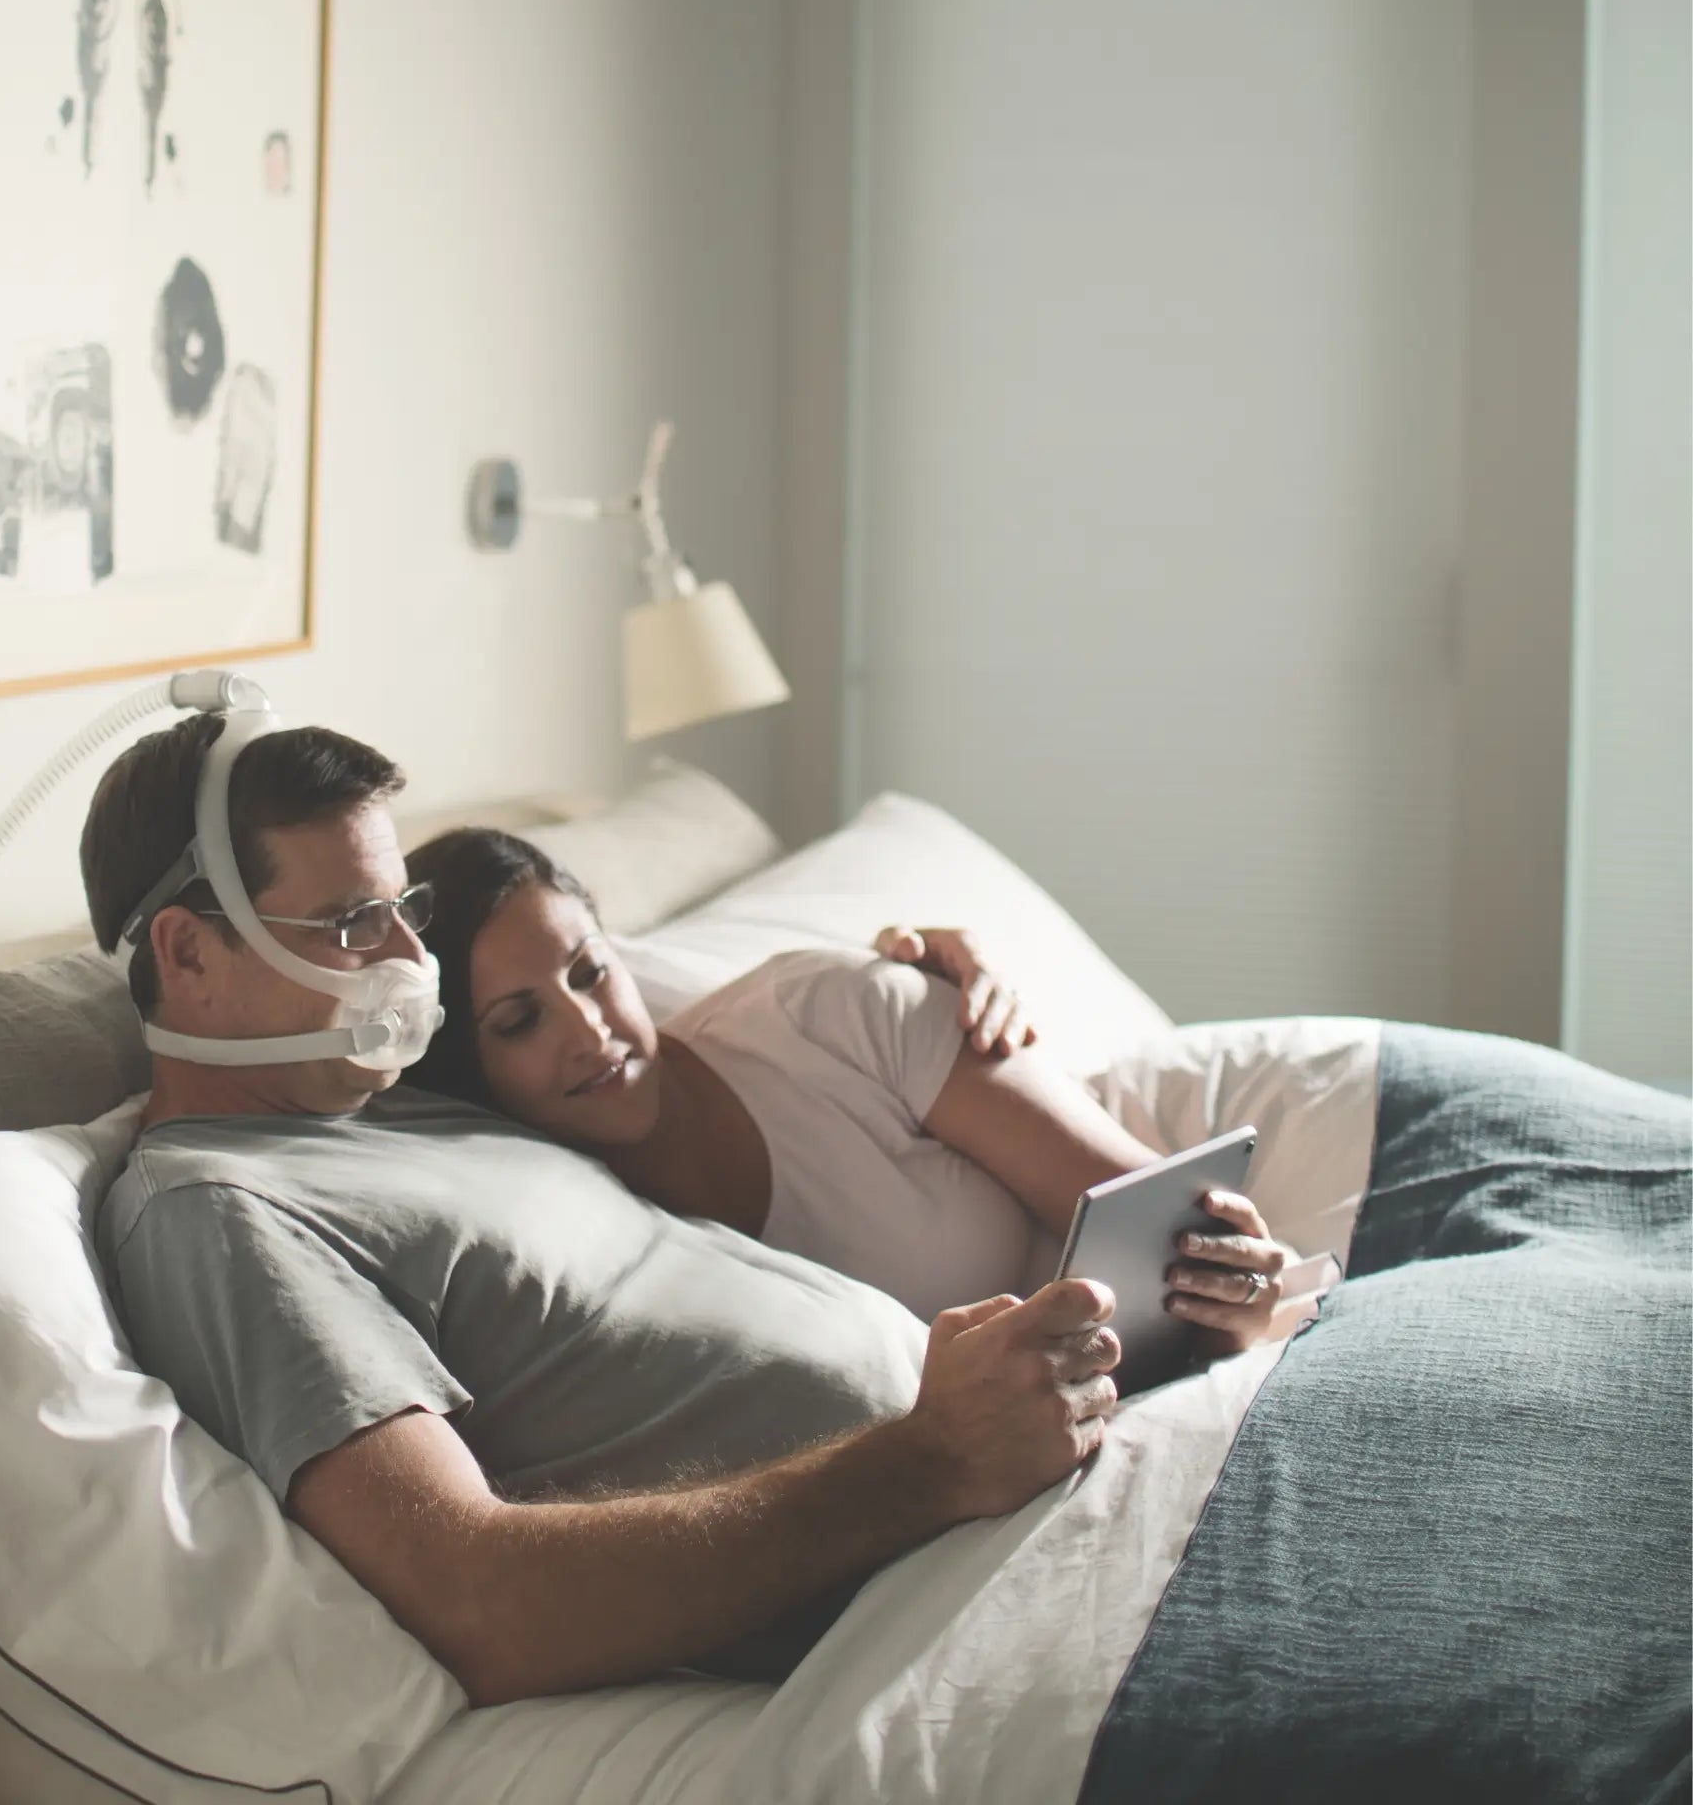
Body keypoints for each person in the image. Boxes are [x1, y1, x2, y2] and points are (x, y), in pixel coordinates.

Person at [84, 715, 1123, 1707]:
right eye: (355, 922)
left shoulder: (404, 1098)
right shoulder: (220, 1213)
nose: (409, 957)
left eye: (407, 910)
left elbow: (628, 1019)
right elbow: (478, 1598)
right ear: (185, 956)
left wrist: (911, 970)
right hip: (941, 1582)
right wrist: (927, 1457)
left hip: (1035, 1486)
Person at [402, 827, 1296, 1342]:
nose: (588, 1030)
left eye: (591, 973)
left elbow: (1166, 1216)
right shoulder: (562, 1250)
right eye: (518, 1022)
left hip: (1265, 1108)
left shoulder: (832, 1010)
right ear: (473, 1075)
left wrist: (1238, 1293)